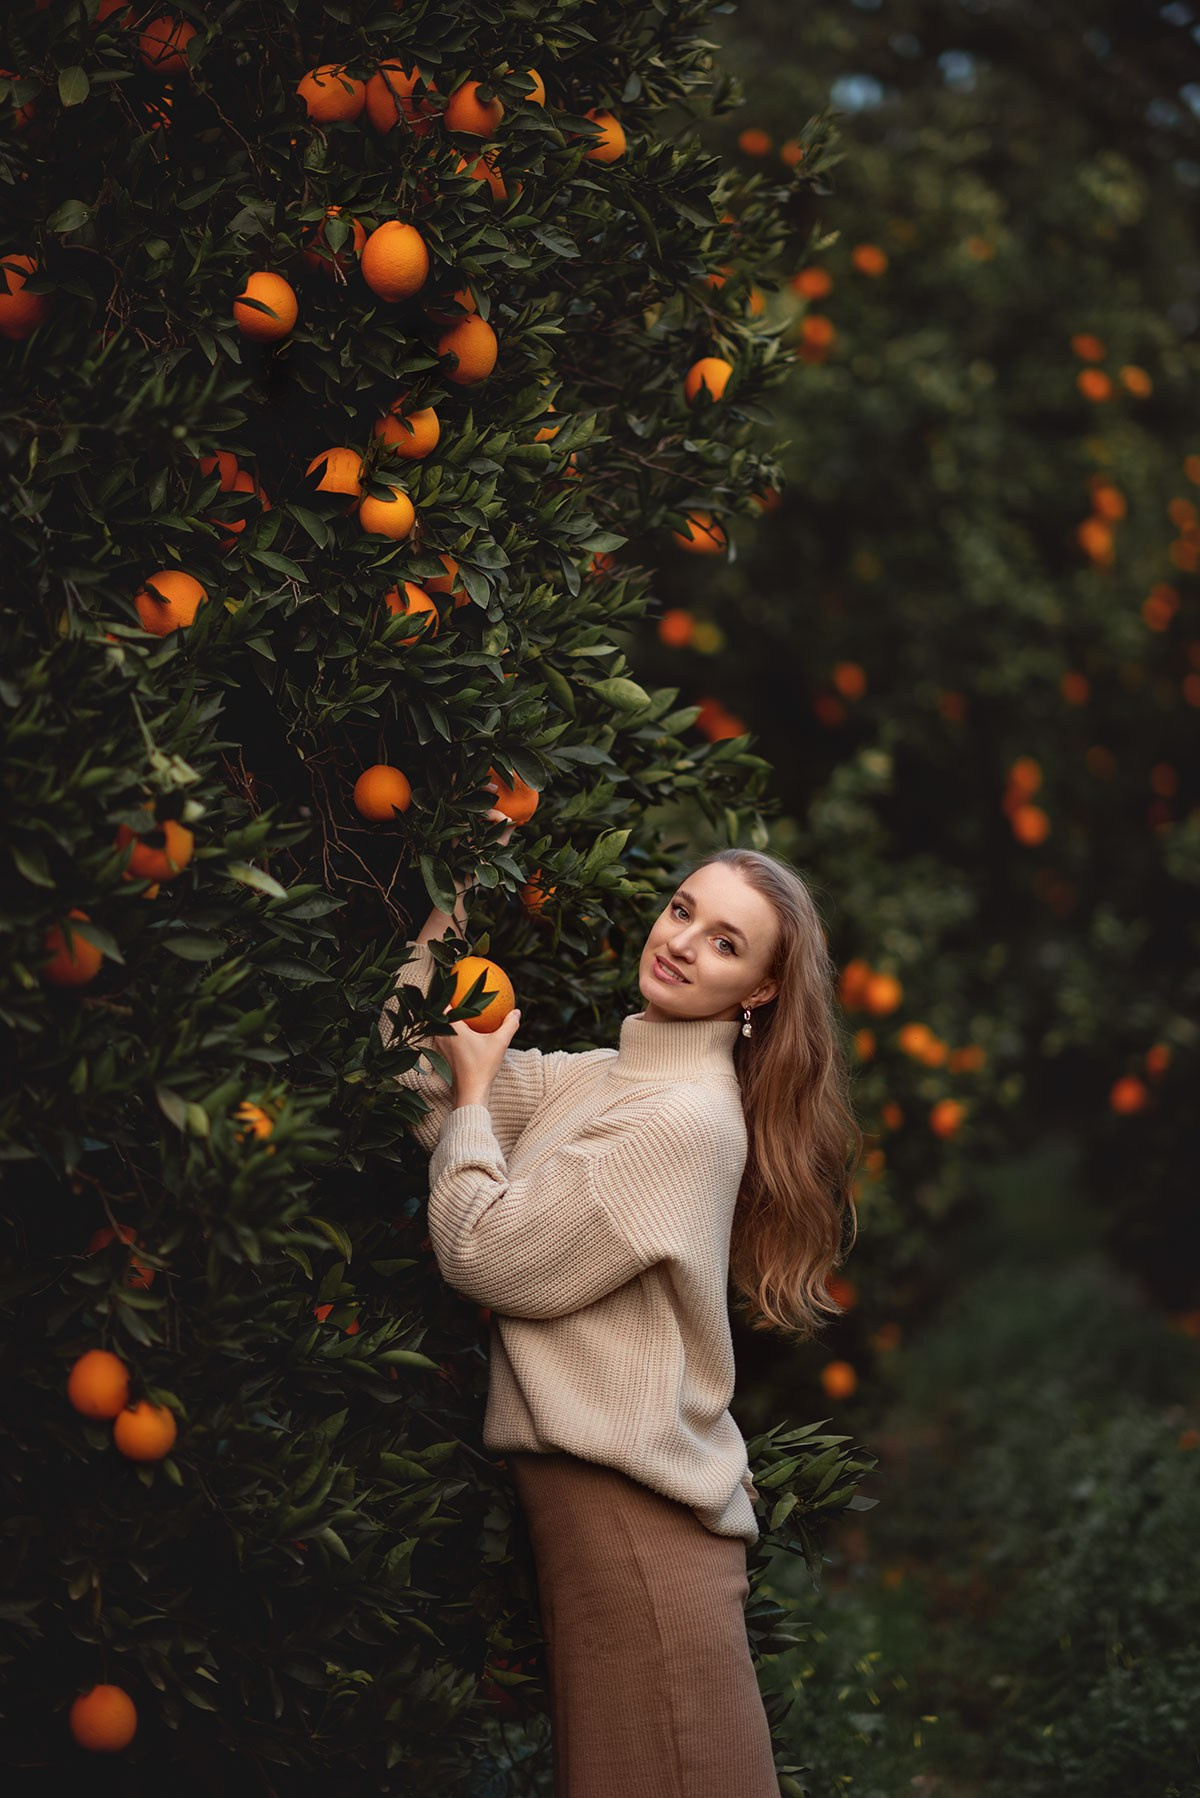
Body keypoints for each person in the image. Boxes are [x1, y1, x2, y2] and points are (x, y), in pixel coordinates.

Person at [376, 818, 862, 1798]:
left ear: (759, 989)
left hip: (639, 1532)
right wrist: (458, 884)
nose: (682, 940)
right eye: (683, 910)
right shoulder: (606, 1078)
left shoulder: (679, 1121)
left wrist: (473, 1101)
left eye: (725, 941)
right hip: (601, 1527)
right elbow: (405, 1074)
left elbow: (483, 1252)